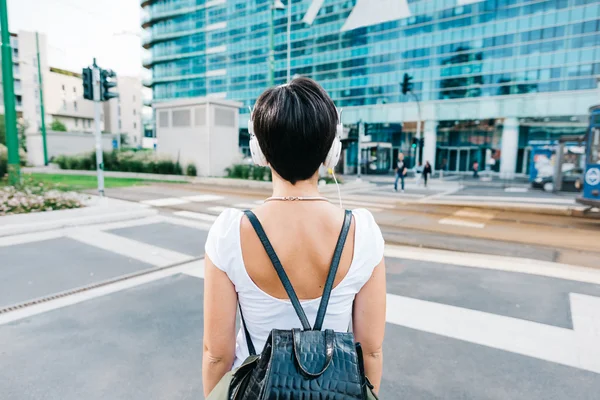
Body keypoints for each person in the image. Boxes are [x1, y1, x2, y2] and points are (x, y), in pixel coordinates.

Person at [202, 77, 386, 397]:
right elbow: (370, 352)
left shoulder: (230, 232)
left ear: (259, 151)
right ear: (332, 152)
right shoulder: (363, 231)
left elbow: (217, 355)